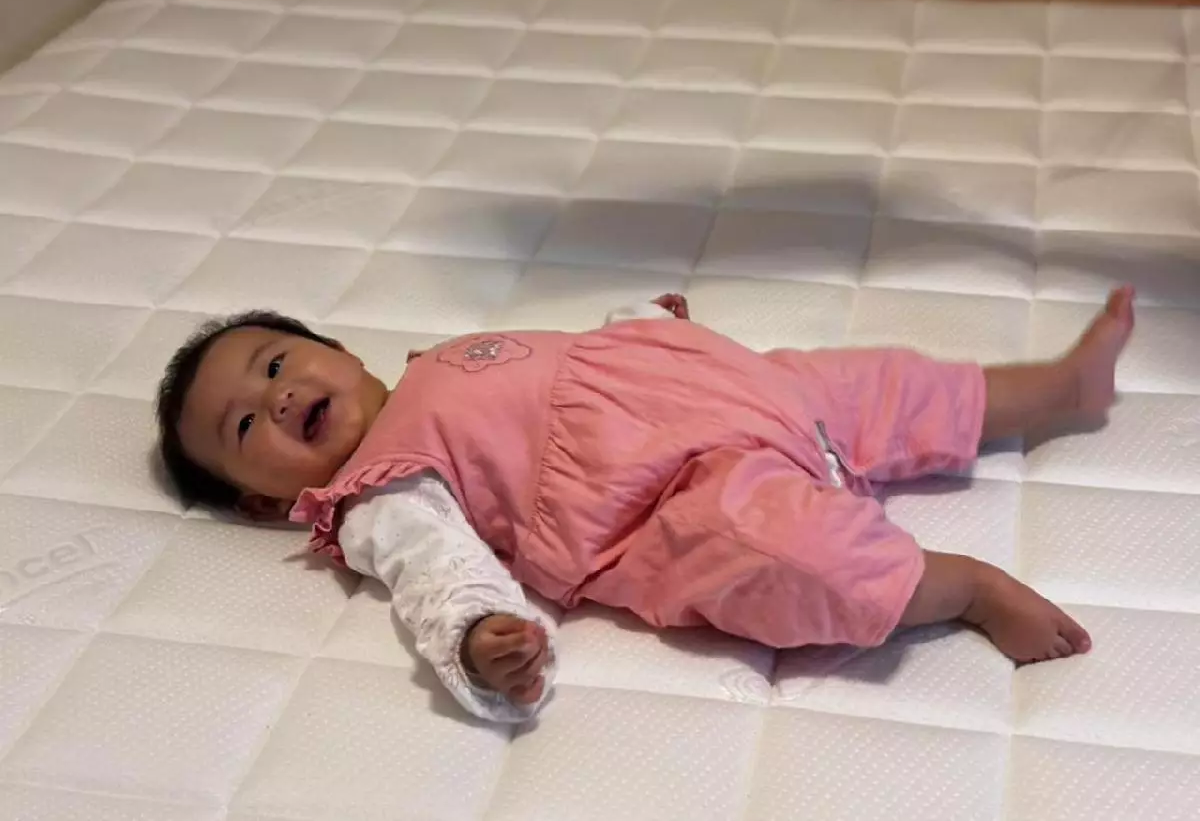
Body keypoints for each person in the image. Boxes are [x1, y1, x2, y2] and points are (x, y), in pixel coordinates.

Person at [155, 286, 1136, 723]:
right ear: (263, 504)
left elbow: (565, 362)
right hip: (666, 498)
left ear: (336, 352)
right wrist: (478, 638)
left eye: (275, 364)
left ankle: (1054, 388)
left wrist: (638, 327)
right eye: (244, 426)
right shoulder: (382, 492)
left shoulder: (438, 361)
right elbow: (435, 574)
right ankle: (959, 587)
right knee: (782, 556)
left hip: (720, 384)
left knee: (886, 384)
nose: (276, 397)